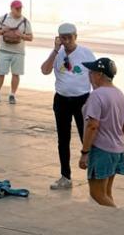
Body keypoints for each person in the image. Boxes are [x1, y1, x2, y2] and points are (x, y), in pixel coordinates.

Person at [40, 22, 96, 190]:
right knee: (63, 139)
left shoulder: (86, 53)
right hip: (62, 100)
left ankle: (94, 174)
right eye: (63, 38)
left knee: (85, 136)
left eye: (70, 38)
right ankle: (65, 176)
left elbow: (94, 76)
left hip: (82, 100)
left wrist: (97, 98)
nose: (67, 41)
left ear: (75, 37)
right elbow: (44, 70)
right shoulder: (57, 53)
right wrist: (56, 50)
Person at [79, 57, 124, 207]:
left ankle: (120, 221)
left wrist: (85, 152)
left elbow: (92, 125)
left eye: (91, 73)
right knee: (106, 192)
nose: (89, 76)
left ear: (99, 75)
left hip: (101, 150)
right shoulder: (120, 95)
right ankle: (111, 225)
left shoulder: (97, 95)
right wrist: (118, 141)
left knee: (97, 193)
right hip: (117, 150)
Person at [0, 0, 33, 104]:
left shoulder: (25, 21)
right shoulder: (4, 18)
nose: (19, 10)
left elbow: (30, 37)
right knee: (0, 73)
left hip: (18, 52)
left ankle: (12, 94)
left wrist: (22, 35)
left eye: (20, 8)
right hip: (4, 50)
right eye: (17, 8)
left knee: (16, 74)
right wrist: (3, 30)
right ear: (11, 8)